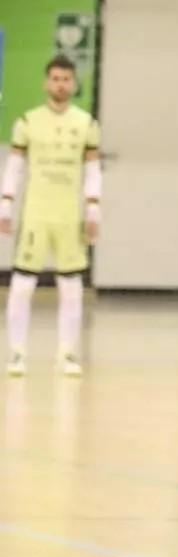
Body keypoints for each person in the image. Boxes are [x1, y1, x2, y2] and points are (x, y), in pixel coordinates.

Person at [1, 55, 101, 377]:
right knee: (22, 284)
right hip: (35, 214)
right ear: (47, 82)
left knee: (71, 285)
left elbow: (92, 168)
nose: (61, 84)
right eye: (55, 78)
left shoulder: (86, 123)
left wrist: (93, 208)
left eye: (66, 79)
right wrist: (5, 204)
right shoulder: (28, 122)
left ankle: (67, 354)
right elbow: (15, 166)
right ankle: (16, 353)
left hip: (69, 216)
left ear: (74, 83)